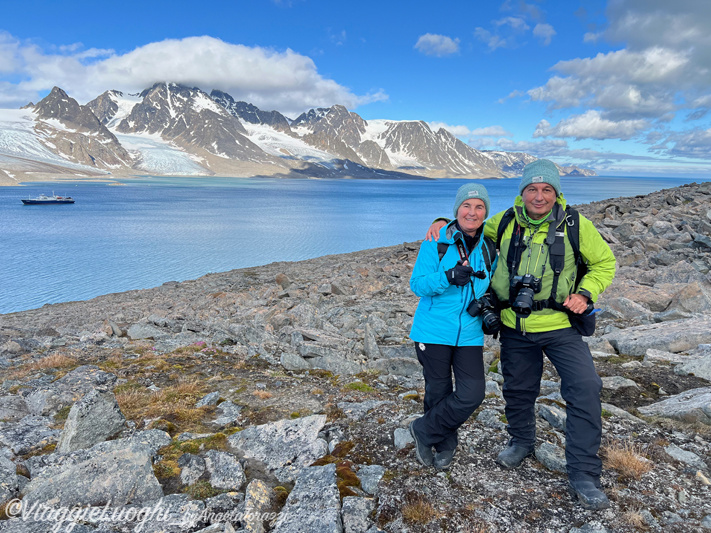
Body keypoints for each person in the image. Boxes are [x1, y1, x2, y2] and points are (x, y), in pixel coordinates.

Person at [425, 160, 616, 509]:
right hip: (514, 323)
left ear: (556, 192)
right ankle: (522, 441)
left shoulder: (575, 224)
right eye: (532, 189)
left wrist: (586, 293)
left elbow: (605, 262)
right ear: (522, 192)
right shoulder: (506, 221)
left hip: (559, 326)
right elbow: (471, 226)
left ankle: (584, 473)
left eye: (546, 190)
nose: (539, 196)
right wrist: (444, 222)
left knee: (586, 387)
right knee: (517, 387)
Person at [408, 182, 497, 471]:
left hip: (469, 331)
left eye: (479, 206)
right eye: (466, 206)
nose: (472, 212)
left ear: (486, 212)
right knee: (438, 389)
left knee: (473, 392)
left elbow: (488, 286)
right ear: (456, 210)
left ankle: (423, 430)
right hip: (433, 330)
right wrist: (447, 275)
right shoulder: (437, 241)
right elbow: (418, 285)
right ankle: (445, 442)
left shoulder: (488, 247)